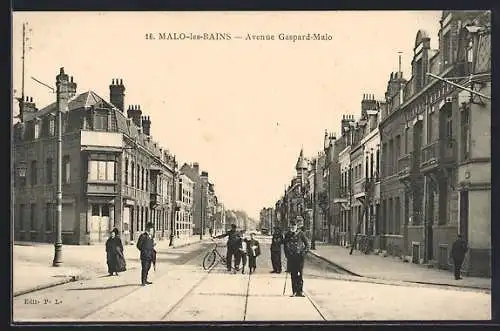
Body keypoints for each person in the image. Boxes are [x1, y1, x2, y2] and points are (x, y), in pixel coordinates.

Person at [283, 220, 310, 297]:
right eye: (291, 226)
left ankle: (300, 291)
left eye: (294, 226)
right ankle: (294, 291)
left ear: (296, 226)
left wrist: (304, 253)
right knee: (293, 274)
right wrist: (287, 255)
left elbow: (307, 245)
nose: (293, 227)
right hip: (291, 258)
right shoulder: (288, 234)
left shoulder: (301, 234)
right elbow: (285, 245)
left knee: (300, 275)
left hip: (300, 257)